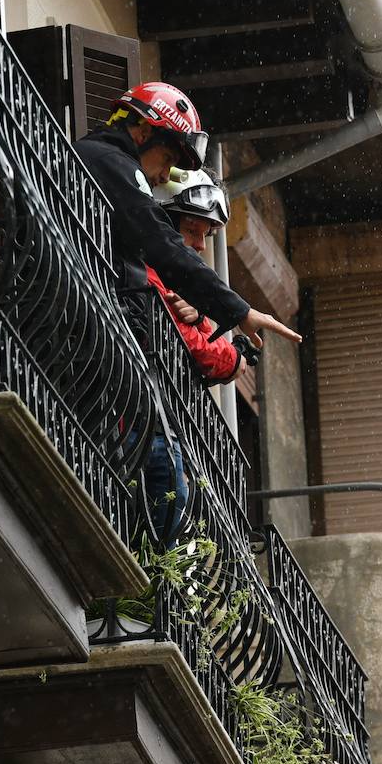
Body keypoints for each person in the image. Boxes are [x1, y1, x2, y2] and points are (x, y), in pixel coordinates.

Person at [72, 81, 300, 348]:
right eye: (168, 158)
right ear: (144, 133)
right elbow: (163, 245)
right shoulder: (115, 165)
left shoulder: (101, 160)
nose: (165, 175)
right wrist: (239, 311)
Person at [139, 169, 249, 543]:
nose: (201, 245)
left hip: (149, 415)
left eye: (207, 234)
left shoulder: (169, 279)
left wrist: (202, 314)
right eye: (192, 230)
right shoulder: (147, 271)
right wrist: (235, 359)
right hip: (137, 417)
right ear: (164, 221)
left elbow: (194, 334)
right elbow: (202, 352)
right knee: (170, 497)